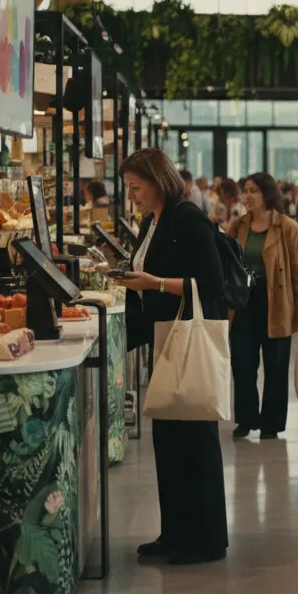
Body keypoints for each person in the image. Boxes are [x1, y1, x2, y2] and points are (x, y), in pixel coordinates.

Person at [118, 148, 228, 565]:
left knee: (194, 439)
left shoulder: (187, 217)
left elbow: (212, 282)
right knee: (169, 439)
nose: (132, 196)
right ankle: (176, 531)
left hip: (188, 338)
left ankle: (204, 539)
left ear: (157, 181)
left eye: (135, 188)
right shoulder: (154, 221)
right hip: (167, 337)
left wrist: (154, 283)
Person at [226, 173, 298, 441]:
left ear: (268, 194)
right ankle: (246, 418)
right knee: (242, 363)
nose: (248, 196)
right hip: (243, 303)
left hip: (277, 302)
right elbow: (226, 266)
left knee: (276, 366)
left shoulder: (287, 227)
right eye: (246, 191)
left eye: (254, 191)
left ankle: (271, 423)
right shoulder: (237, 226)